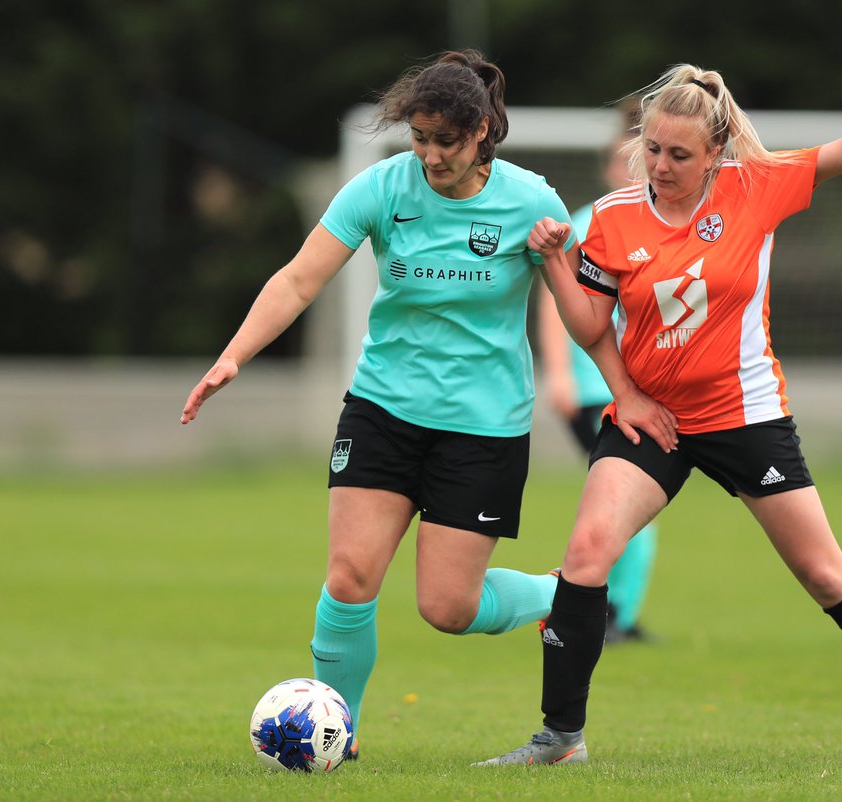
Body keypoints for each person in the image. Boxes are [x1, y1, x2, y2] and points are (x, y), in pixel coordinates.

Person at [476, 64, 842, 766]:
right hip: (653, 420)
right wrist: (553, 265)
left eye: (679, 154)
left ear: (715, 153)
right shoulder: (612, 217)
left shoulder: (755, 187)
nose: (660, 165)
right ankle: (559, 739)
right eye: (652, 149)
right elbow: (591, 325)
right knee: (586, 553)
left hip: (745, 417)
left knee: (823, 573)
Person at [180, 50, 576, 758]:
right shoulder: (383, 188)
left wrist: (628, 388)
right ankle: (343, 732)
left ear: (482, 130)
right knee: (350, 576)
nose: (429, 156)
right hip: (383, 409)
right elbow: (300, 279)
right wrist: (233, 354)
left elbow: (579, 311)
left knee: (448, 609)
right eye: (419, 139)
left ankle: (562, 594)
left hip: (483, 428)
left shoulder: (532, 202)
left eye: (444, 141)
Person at [536, 101, 658, 644]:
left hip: (634, 388)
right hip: (595, 390)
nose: (625, 170)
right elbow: (555, 302)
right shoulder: (589, 220)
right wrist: (558, 373)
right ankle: (605, 615)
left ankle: (614, 615)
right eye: (617, 161)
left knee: (628, 508)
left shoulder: (660, 222)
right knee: (623, 508)